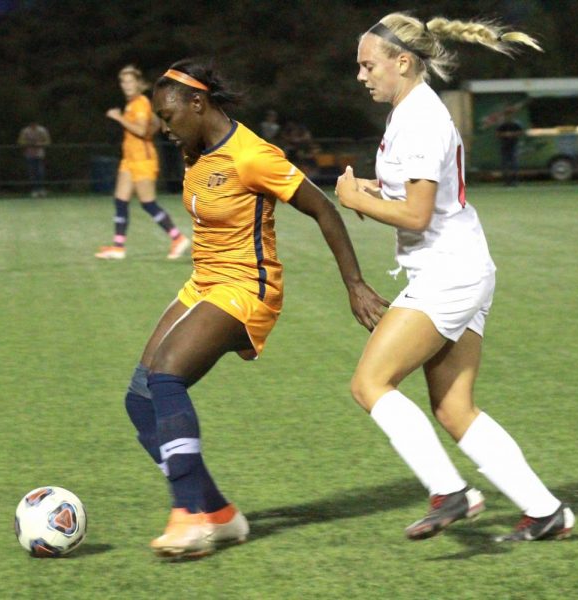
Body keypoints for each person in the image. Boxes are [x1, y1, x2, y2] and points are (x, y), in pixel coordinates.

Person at [125, 58, 387, 559]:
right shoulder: (193, 150)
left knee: (167, 377)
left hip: (248, 287)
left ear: (198, 104)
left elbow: (322, 208)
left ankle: (188, 516)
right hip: (204, 283)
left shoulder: (252, 155)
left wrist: (354, 283)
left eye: (168, 114)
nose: (164, 125)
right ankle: (218, 515)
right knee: (140, 400)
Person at [335, 12, 575, 543]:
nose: (361, 75)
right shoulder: (413, 112)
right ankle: (545, 511)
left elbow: (418, 215)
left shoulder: (420, 119)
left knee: (370, 383)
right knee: (453, 407)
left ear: (402, 62)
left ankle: (450, 493)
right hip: (462, 266)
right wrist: (374, 192)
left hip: (448, 275)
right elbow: (421, 198)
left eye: (367, 64)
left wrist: (355, 200)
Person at [95, 65, 190, 260]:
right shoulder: (134, 103)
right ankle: (118, 247)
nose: (126, 85)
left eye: (130, 81)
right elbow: (153, 125)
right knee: (120, 201)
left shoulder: (140, 103)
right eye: (123, 81)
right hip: (129, 159)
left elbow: (139, 130)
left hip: (142, 160)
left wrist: (118, 117)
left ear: (138, 83)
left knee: (148, 203)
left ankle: (178, 238)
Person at [17, 121, 51, 197]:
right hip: (29, 154)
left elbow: (48, 142)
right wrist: (28, 143)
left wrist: (39, 144)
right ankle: (34, 190)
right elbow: (20, 141)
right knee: (32, 172)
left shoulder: (42, 130)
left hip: (39, 154)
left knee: (40, 172)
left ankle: (41, 189)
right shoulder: (25, 131)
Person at [495, 109, 524, 186]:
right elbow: (497, 134)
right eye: (507, 115)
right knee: (505, 164)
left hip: (513, 145)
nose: (509, 117)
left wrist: (512, 134)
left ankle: (515, 180)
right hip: (504, 146)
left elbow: (520, 132)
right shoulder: (503, 125)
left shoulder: (515, 124)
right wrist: (505, 135)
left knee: (514, 164)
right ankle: (506, 181)